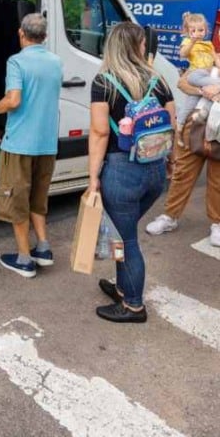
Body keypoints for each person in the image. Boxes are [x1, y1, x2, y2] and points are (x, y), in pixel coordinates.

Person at [86, 22, 175, 321]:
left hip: (122, 172)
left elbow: (99, 133)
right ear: (138, 46)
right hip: (154, 172)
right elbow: (173, 126)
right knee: (121, 234)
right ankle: (123, 287)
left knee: (125, 240)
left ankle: (134, 305)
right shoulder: (158, 80)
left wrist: (92, 178)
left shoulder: (104, 82)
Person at [146, 19, 220, 246]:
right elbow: (183, 83)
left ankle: (218, 224)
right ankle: (170, 216)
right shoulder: (208, 57)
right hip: (199, 122)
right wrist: (205, 90)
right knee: (182, 174)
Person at [0, 13, 63, 278]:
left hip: (19, 145)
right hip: (47, 144)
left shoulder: (16, 61)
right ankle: (44, 248)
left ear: (20, 34)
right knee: (38, 198)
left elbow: (14, 100)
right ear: (45, 36)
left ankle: (24, 259)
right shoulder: (56, 62)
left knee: (17, 201)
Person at [175, 12, 217, 130]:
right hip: (196, 73)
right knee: (213, 90)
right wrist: (192, 42)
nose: (198, 33)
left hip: (205, 74)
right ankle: (180, 122)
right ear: (187, 32)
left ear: (206, 30)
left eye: (201, 30)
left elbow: (215, 58)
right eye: (193, 31)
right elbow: (183, 54)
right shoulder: (188, 42)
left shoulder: (208, 44)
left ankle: (186, 119)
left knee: (194, 100)